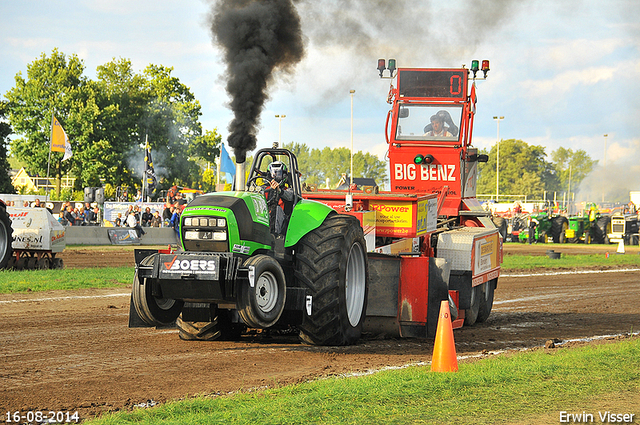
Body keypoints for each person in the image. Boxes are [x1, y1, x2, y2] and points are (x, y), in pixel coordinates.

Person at [262, 161, 294, 235]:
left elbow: (290, 196)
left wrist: (279, 190)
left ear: (284, 176)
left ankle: (276, 234)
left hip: (282, 221)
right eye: (273, 174)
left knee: (277, 209)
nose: (276, 177)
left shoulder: (287, 190)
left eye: (278, 174)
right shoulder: (264, 188)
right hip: (264, 215)